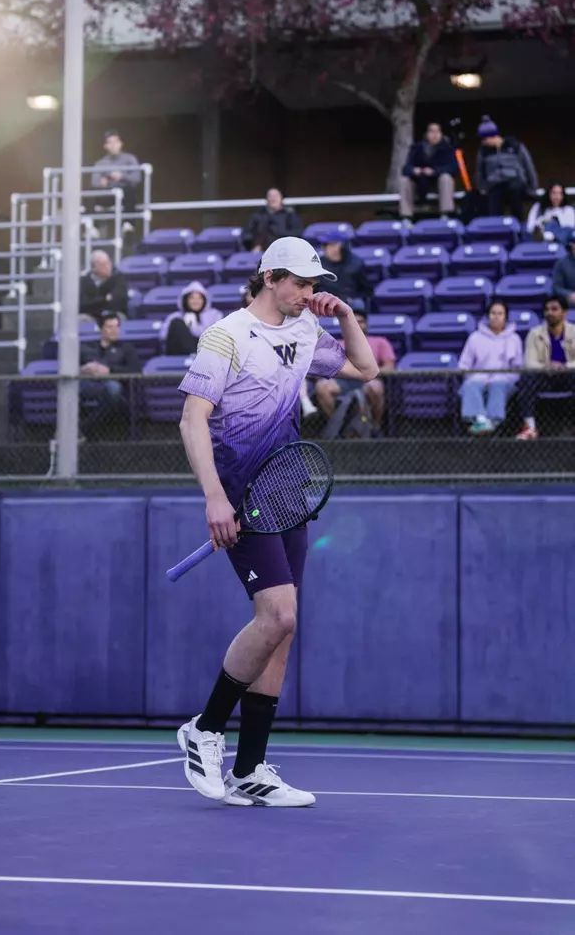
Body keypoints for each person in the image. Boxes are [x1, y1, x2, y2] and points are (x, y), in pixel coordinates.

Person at [176, 237, 378, 807]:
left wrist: (343, 315)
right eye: (302, 284)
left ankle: (250, 769)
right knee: (279, 613)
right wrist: (214, 497)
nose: (309, 294)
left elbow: (365, 368)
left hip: (286, 493)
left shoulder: (306, 329)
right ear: (270, 277)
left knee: (285, 627)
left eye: (316, 286)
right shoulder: (227, 335)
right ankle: (206, 727)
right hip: (241, 498)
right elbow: (193, 421)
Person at [313, 308, 396, 434]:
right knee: (322, 387)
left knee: (376, 388)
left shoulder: (380, 342)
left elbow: (390, 367)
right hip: (342, 382)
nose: (357, 325)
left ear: (367, 324)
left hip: (368, 381)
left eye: (361, 321)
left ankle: (374, 427)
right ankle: (338, 426)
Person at [458, 300, 523, 434]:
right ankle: (481, 419)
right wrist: (476, 377)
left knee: (498, 384)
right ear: (488, 316)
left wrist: (503, 378)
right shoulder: (475, 338)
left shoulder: (514, 339)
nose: (496, 317)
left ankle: (493, 421)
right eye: (493, 313)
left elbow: (517, 368)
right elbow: (464, 365)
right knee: (471, 385)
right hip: (479, 377)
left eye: (500, 313)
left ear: (505, 317)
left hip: (504, 379)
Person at [516, 296, 575, 440]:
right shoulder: (534, 333)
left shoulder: (574, 332)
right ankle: (530, 427)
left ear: (564, 313)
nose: (550, 313)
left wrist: (564, 366)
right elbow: (529, 363)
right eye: (547, 310)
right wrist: (546, 367)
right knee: (526, 378)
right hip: (544, 377)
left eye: (555, 309)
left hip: (568, 376)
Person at [79, 313, 141, 427]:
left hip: (116, 387)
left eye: (117, 326)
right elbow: (74, 367)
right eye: (110, 327)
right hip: (90, 384)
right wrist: (82, 370)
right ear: (101, 329)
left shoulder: (126, 348)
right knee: (70, 388)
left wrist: (109, 371)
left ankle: (84, 428)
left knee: (113, 388)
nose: (114, 330)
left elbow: (135, 370)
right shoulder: (88, 347)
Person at [476, 116, 538, 222]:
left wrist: (533, 186)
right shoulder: (483, 151)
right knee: (493, 199)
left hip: (514, 181)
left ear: (492, 137)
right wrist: (482, 187)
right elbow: (480, 171)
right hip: (494, 184)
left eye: (484, 139)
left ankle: (519, 224)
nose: (483, 142)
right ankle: (496, 227)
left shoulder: (515, 146)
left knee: (514, 191)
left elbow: (528, 165)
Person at [399, 122, 458, 219]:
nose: (434, 134)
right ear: (426, 134)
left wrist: (434, 171)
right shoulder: (416, 148)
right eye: (431, 131)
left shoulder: (447, 148)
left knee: (446, 178)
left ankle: (446, 214)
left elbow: (453, 168)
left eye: (437, 131)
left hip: (438, 182)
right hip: (420, 181)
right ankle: (406, 216)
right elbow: (406, 168)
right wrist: (414, 170)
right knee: (404, 180)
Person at [314, 230, 374, 310]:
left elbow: (366, 289)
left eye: (329, 245)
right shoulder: (319, 263)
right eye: (324, 245)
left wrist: (350, 298)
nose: (325, 248)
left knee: (358, 304)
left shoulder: (356, 263)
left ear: (341, 246)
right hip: (324, 300)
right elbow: (315, 287)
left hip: (349, 301)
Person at [161, 281, 223, 355]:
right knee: (177, 323)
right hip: (181, 353)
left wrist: (194, 327)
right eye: (192, 298)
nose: (196, 301)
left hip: (206, 353)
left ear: (204, 300)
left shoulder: (215, 315)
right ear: (186, 300)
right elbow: (163, 336)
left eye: (199, 298)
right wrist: (184, 327)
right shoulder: (175, 316)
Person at [91, 131, 142, 209]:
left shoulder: (130, 158)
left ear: (121, 144)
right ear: (105, 146)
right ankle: (93, 220)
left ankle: (128, 221)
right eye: (110, 143)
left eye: (116, 142)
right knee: (90, 196)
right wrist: (101, 183)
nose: (113, 145)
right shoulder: (100, 163)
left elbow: (137, 178)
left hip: (125, 192)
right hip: (108, 193)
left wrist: (122, 177)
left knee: (130, 193)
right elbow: (94, 182)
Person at [78, 250, 129, 321]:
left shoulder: (118, 278)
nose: (108, 267)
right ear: (94, 268)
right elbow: (83, 304)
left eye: (108, 263)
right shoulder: (84, 281)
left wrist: (96, 302)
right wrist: (106, 298)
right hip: (91, 316)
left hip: (113, 314)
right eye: (103, 265)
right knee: (80, 319)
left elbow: (119, 301)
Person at [552, 229, 575, 307]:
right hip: (570, 303)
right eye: (574, 242)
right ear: (571, 244)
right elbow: (556, 288)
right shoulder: (561, 263)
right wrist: (570, 294)